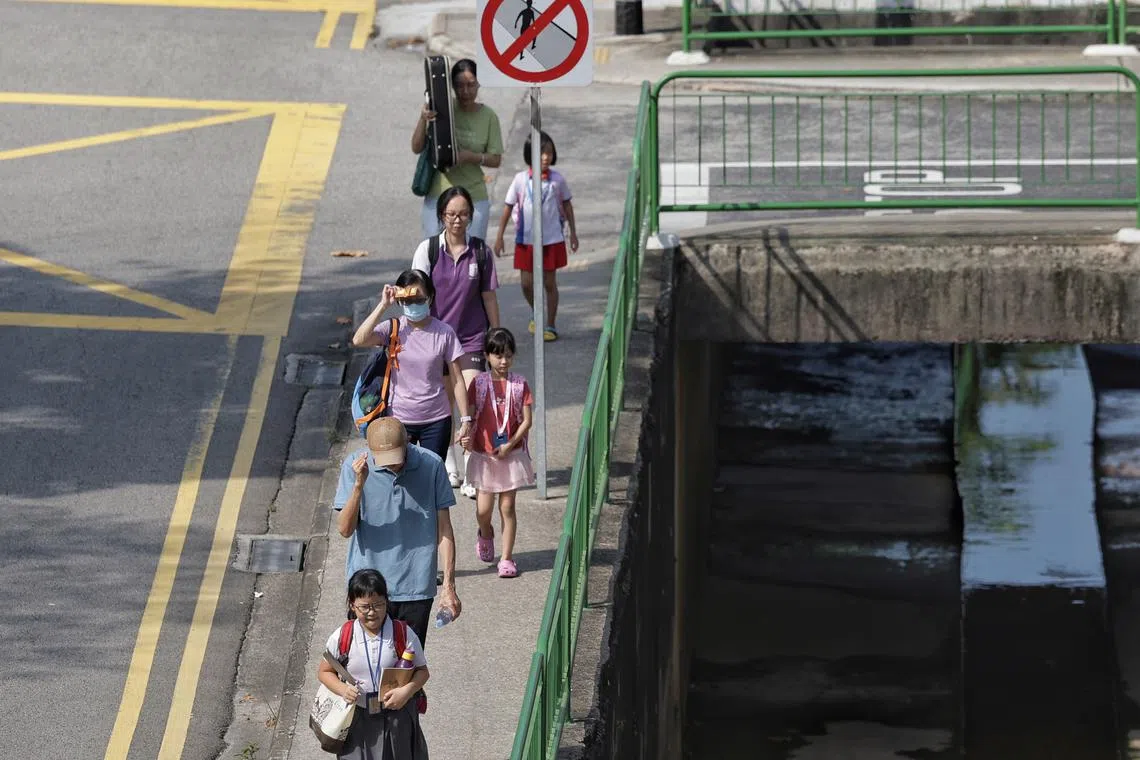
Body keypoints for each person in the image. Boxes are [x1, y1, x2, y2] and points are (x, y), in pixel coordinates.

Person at [334, 417, 461, 646]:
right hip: (367, 589)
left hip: (416, 588)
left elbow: (444, 530)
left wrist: (449, 587)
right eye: (383, 460)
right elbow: (344, 529)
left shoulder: (431, 465)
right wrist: (358, 486)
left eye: (396, 457)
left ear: (408, 442)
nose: (391, 465)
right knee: (365, 667)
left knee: (406, 670)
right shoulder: (354, 466)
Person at [412, 186, 501, 498]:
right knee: (446, 406)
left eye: (463, 214)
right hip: (437, 341)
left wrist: (496, 337)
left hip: (472, 339)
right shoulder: (428, 251)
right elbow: (415, 294)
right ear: (441, 216)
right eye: (451, 214)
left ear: (471, 216)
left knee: (472, 403)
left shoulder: (480, 252)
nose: (457, 220)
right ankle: (451, 462)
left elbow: (489, 297)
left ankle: (471, 471)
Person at [352, 268, 473, 463]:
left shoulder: (445, 333)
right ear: (400, 301)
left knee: (431, 479)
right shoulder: (393, 329)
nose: (413, 305)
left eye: (418, 299)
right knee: (395, 479)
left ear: (430, 297)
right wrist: (383, 305)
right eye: (407, 301)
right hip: (398, 421)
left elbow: (458, 380)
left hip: (437, 421)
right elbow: (359, 340)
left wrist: (466, 419)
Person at [316, 569, 429, 760]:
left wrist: (406, 691)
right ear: (352, 605)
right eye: (365, 607)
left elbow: (422, 672)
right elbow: (324, 671)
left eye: (378, 605)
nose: (372, 612)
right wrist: (342, 689)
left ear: (387, 601)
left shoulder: (402, 633)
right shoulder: (343, 636)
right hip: (356, 717)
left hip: (397, 715)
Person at [459, 328, 534, 579]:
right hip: (484, 455)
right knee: (482, 510)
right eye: (498, 356)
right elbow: (470, 414)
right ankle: (485, 533)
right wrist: (465, 432)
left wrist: (510, 444)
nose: (503, 361)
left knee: (508, 506)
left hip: (510, 455)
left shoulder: (519, 384)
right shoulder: (479, 384)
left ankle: (507, 558)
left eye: (508, 356)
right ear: (487, 356)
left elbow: (526, 421)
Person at [493, 130, 578, 342]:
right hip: (526, 240)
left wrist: (573, 233)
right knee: (526, 283)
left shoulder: (557, 181)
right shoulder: (520, 180)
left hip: (551, 239)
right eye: (541, 153)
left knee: (550, 283)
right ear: (530, 155)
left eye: (549, 152)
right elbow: (508, 206)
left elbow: (567, 206)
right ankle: (535, 312)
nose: (546, 157)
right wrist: (500, 236)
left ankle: (550, 324)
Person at [411, 58, 503, 241]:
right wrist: (423, 119)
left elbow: (495, 159)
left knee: (472, 261)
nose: (466, 91)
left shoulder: (489, 116)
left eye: (471, 85)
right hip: (438, 197)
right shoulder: (442, 107)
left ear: (479, 84)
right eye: (460, 85)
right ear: (451, 86)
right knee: (434, 258)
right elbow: (416, 147)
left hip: (474, 198)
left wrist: (471, 157)